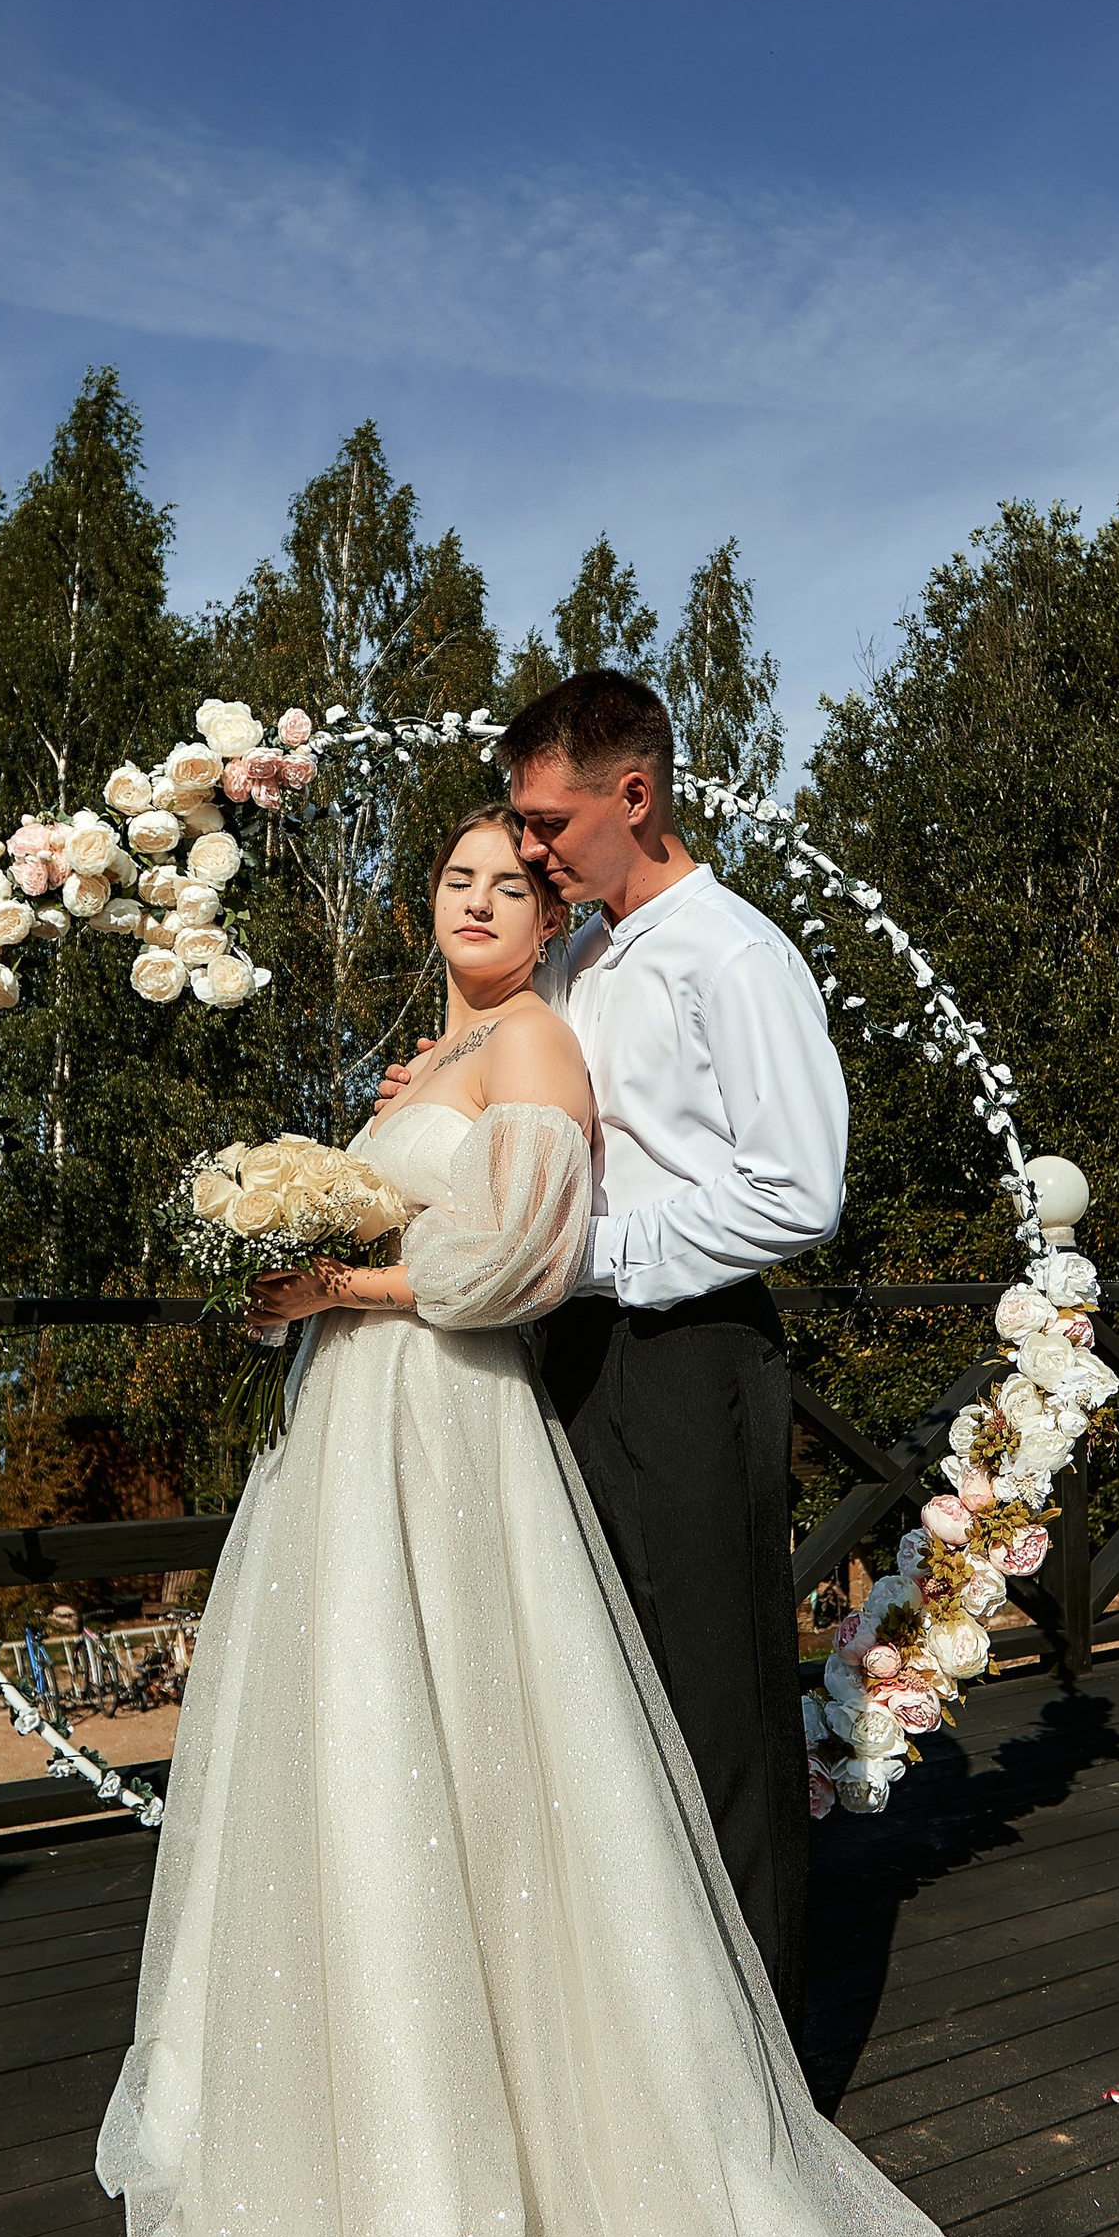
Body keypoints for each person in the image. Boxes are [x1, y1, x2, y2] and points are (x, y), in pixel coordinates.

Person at [96, 804, 979, 2237]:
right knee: (352, 1742)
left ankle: (520, 2148)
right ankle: (339, 2110)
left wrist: (343, 1282)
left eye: (513, 879)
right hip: (346, 1438)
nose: (482, 899)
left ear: (549, 900)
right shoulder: (433, 1052)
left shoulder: (545, 1048)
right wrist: (305, 1255)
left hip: (449, 1424)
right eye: (457, 879)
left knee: (486, 1748)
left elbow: (513, 1266)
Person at [391, 670, 845, 2035]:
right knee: (606, 1704)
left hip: (688, 1357)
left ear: (633, 796)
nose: (529, 850)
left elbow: (796, 1190)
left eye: (545, 820)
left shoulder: (735, 957)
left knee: (719, 1713)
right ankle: (646, 2038)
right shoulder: (581, 959)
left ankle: (759, 2075)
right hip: (568, 1363)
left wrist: (576, 1258)